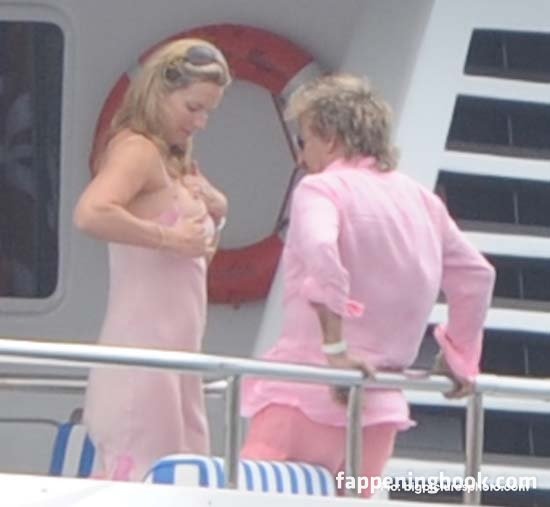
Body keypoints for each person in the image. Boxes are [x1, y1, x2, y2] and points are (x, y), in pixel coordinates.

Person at [240, 74, 495, 497]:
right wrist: (460, 356)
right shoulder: (423, 202)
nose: (301, 158)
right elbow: (477, 275)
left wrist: (337, 350)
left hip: (304, 395)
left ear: (330, 138)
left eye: (304, 141)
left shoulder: (321, 189)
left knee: (253, 498)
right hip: (378, 411)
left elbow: (321, 249)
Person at [74, 38, 231, 481]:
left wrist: (218, 212)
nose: (199, 122)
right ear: (161, 91)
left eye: (208, 113)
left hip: (177, 360)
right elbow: (90, 213)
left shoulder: (176, 162)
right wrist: (168, 238)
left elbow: (195, 259)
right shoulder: (137, 150)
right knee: (142, 473)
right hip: (141, 359)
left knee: (181, 473)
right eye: (192, 107)